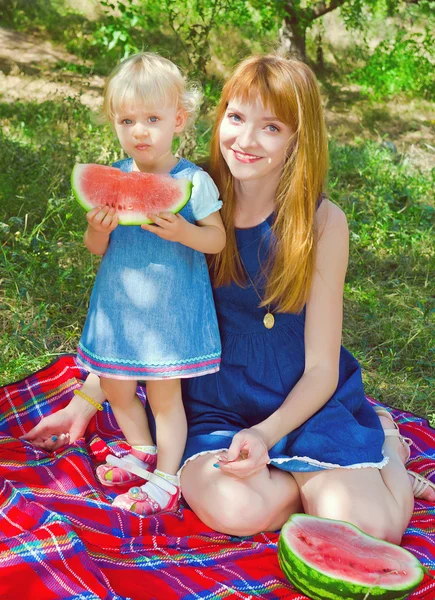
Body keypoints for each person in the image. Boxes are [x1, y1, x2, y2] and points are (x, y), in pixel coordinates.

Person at [22, 53, 435, 541]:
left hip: (299, 394)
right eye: (236, 118)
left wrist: (264, 435)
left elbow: (322, 367)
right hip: (213, 397)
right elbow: (150, 314)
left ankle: (381, 437)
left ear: (298, 138)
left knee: (369, 526)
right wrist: (86, 401)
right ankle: (317, 483)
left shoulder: (324, 222)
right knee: (233, 510)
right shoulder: (191, 195)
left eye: (271, 127)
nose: (245, 139)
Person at [71, 52, 226, 517]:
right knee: (116, 389)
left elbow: (217, 240)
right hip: (119, 310)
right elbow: (94, 247)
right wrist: (98, 227)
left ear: (178, 120)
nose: (139, 131)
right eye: (127, 120)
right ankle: (140, 449)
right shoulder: (115, 176)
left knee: (165, 398)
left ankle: (166, 478)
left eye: (153, 119)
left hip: (170, 315)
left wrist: (184, 231)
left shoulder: (193, 182)